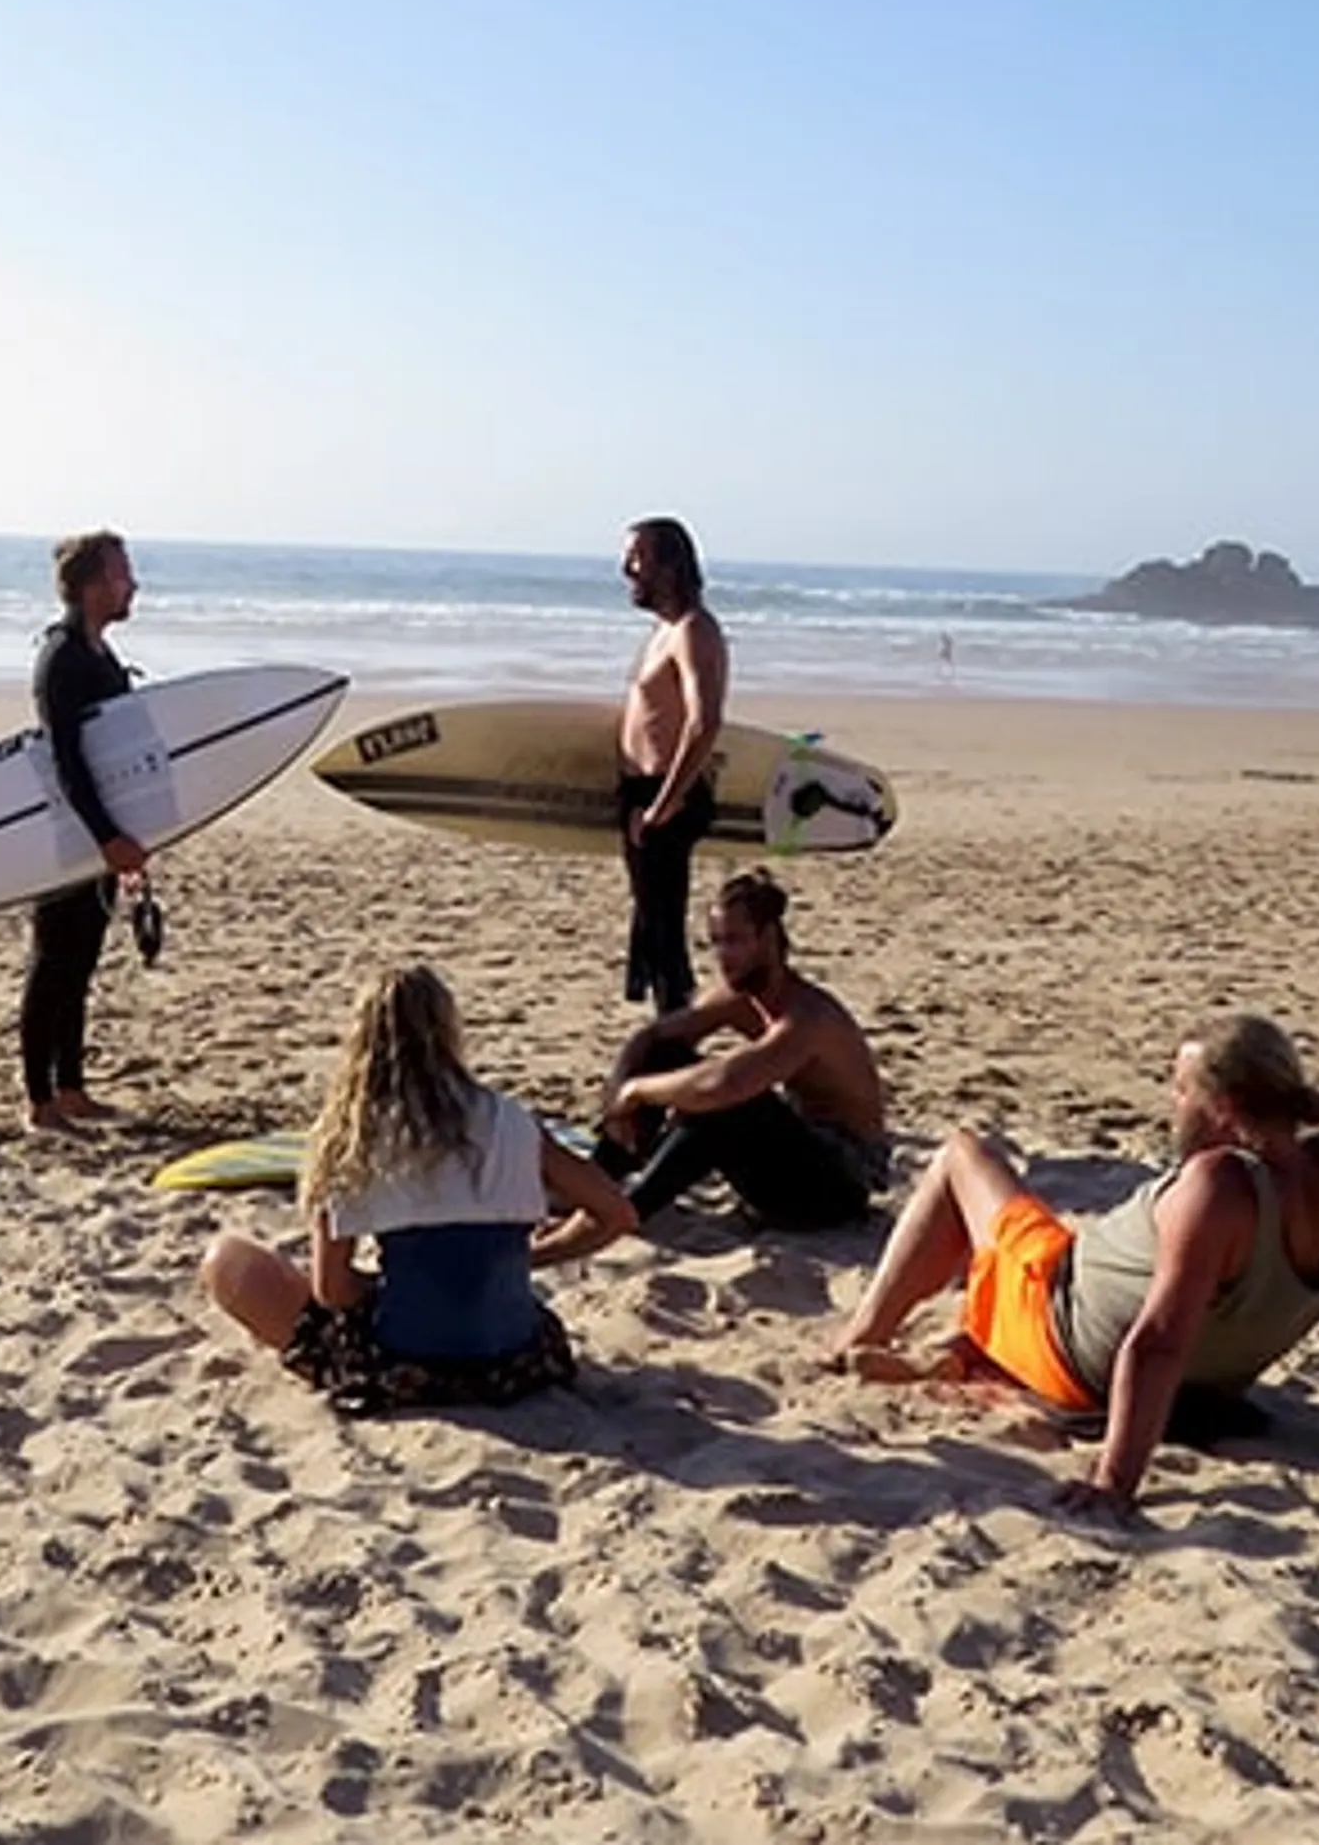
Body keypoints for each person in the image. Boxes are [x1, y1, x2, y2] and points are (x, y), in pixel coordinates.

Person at [823, 1012, 1319, 1513]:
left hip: (1063, 1337)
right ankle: (959, 1350)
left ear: (1223, 1106)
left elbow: (1159, 1339)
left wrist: (1114, 1481)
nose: (1172, 1103)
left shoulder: (1221, 1187)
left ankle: (861, 1337)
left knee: (961, 1157)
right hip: (1202, 1392)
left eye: (1180, 1089)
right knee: (1047, 1237)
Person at [200, 963, 640, 1413]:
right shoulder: (512, 1122)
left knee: (227, 1261)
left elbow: (333, 1289)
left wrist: (393, 1288)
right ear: (449, 1030)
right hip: (518, 1363)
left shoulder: (353, 1136)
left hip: (407, 1368)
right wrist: (534, 1257)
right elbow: (617, 1214)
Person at [594, 870, 889, 1229]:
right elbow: (651, 1037)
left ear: (768, 938)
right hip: (792, 1156)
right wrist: (617, 1099)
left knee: (725, 1101)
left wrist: (637, 1091)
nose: (723, 955)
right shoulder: (739, 995)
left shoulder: (807, 1016)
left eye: (734, 941)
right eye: (715, 942)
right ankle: (598, 1179)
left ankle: (627, 1211)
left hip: (837, 1187)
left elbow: (725, 1085)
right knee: (665, 1055)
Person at [23, 528, 152, 1132]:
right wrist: (106, 837)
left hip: (101, 837)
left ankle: (72, 1089)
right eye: (123, 574)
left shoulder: (103, 660)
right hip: (67, 833)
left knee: (81, 965)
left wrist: (132, 838)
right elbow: (69, 764)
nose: (134, 584)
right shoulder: (63, 660)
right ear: (93, 585)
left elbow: (121, 765)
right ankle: (39, 1102)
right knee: (52, 964)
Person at [616, 515, 728, 1007]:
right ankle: (668, 1032)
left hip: (668, 796)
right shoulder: (663, 632)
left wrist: (665, 804)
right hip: (644, 792)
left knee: (663, 929)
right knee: (651, 925)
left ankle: (675, 1039)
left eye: (637, 558)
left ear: (669, 566)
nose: (626, 569)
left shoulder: (694, 631)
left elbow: (704, 724)